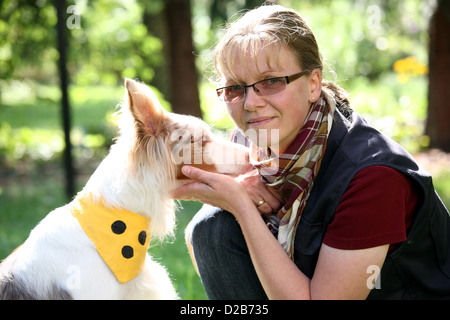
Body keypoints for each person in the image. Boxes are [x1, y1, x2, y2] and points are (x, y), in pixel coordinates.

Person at [171, 4, 450, 299]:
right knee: (212, 227)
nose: (251, 103)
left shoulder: (372, 177)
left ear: (313, 84)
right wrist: (238, 187)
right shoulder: (254, 140)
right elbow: (162, 180)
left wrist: (241, 204)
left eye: (271, 81)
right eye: (235, 88)